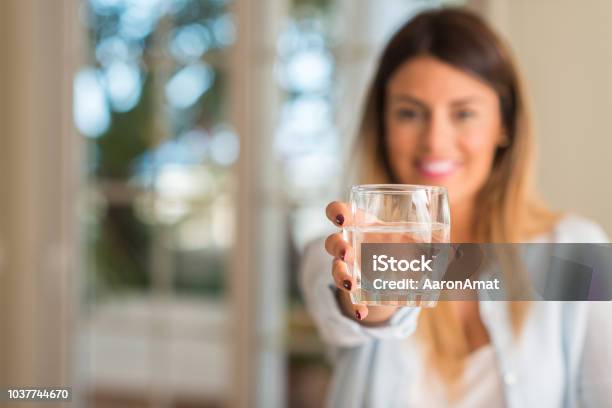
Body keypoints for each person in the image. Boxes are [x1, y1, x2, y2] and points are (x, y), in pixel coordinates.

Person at [299, 8, 611, 408]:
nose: (435, 141)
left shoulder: (576, 253)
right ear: (383, 124)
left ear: (505, 124)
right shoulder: (338, 249)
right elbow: (350, 313)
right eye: (409, 113)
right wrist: (375, 296)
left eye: (463, 113)